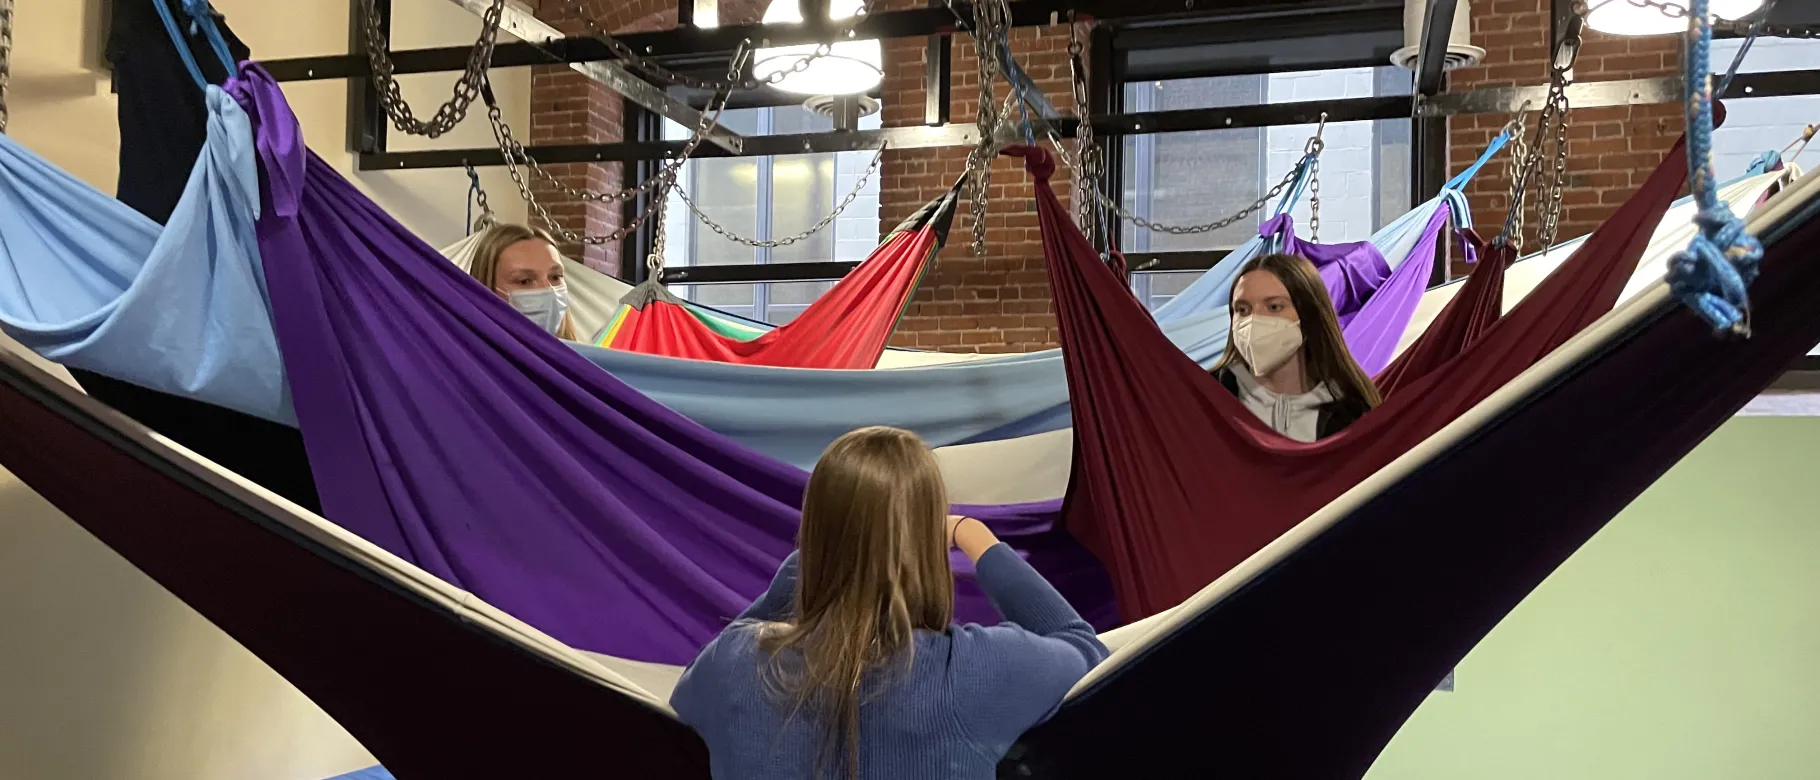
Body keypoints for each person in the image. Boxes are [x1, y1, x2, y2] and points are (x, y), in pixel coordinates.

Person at [671, 426, 1108, 780]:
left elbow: (690, 689)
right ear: (923, 544)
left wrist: (829, 555)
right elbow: (1082, 645)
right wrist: (973, 535)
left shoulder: (732, 665)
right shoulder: (970, 670)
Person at [1208, 252, 1381, 442]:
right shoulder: (1207, 399)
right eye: (1242, 309)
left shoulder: (1352, 413)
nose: (1253, 320)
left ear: (1308, 316)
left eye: (1274, 307)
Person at [466, 223, 578, 340]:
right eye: (524, 281)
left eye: (555, 277)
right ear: (487, 289)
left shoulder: (586, 356)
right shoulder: (463, 356)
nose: (548, 289)